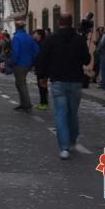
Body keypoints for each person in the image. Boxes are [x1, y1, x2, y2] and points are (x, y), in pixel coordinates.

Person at [37, 13, 91, 160]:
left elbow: (42, 59)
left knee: (61, 114)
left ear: (58, 22)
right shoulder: (79, 40)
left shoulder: (50, 40)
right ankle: (72, 142)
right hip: (75, 81)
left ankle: (64, 148)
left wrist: (42, 76)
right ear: (71, 22)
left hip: (58, 81)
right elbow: (87, 60)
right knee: (73, 114)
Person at [9, 21, 39, 113]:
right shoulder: (29, 37)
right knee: (20, 83)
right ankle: (23, 104)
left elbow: (16, 51)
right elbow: (37, 50)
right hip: (27, 64)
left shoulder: (16, 37)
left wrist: (13, 61)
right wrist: (32, 60)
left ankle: (26, 105)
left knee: (21, 84)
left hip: (19, 64)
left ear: (16, 27)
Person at [32, 29, 49, 110]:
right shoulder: (38, 43)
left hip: (43, 68)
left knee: (42, 85)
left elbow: (42, 57)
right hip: (39, 67)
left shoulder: (42, 44)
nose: (33, 35)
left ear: (39, 35)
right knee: (40, 85)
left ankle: (44, 103)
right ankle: (42, 102)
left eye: (34, 33)